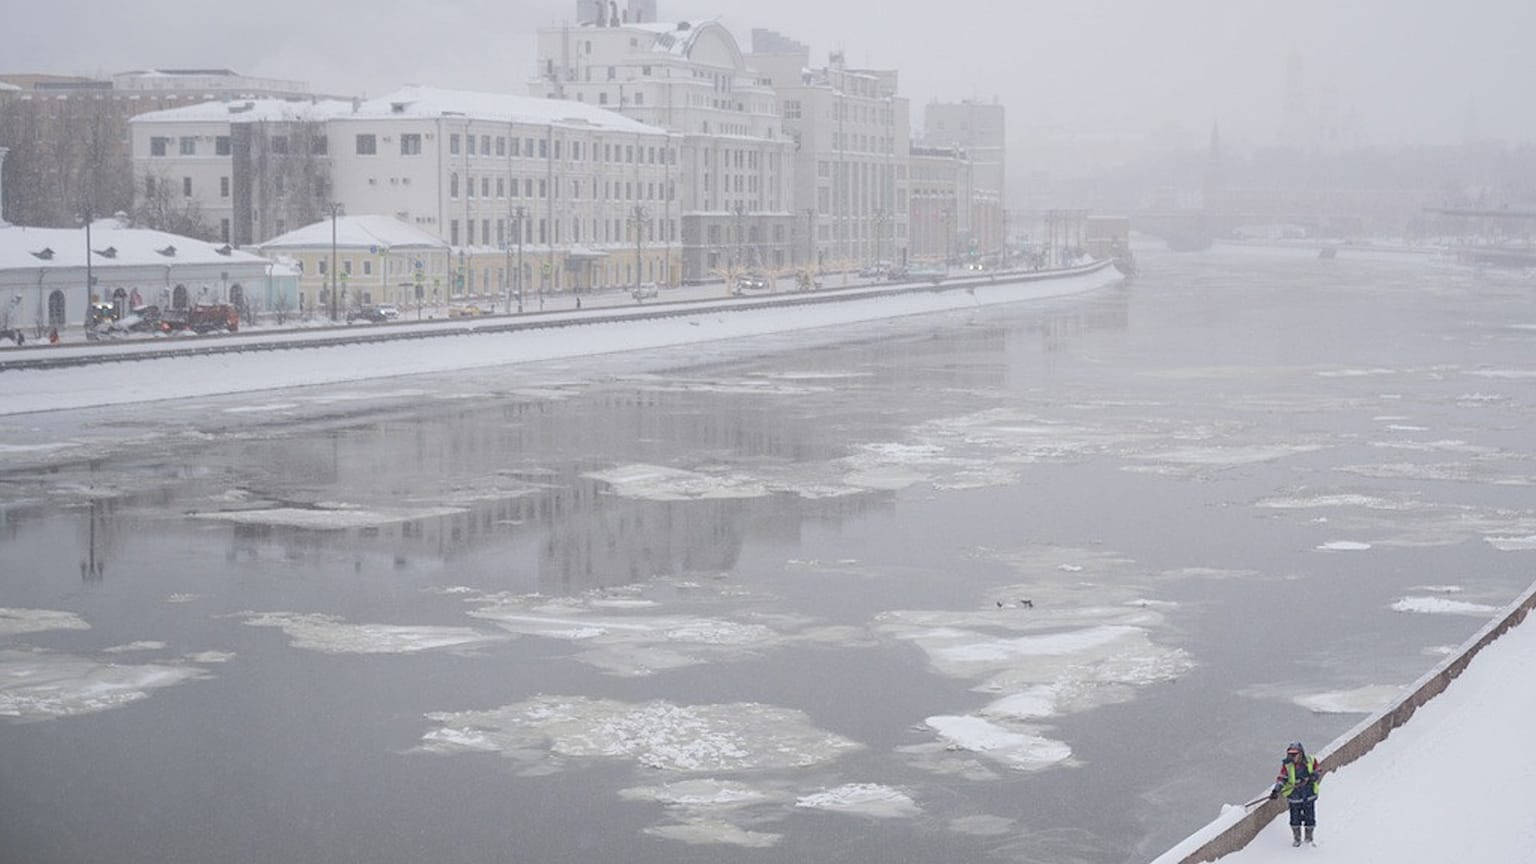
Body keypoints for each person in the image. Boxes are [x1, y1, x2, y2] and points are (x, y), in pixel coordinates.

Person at [1269, 741, 1323, 846]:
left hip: (1309, 795)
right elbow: (1282, 778)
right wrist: (1276, 790)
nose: (1292, 756)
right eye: (1290, 754)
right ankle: (1297, 839)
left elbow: (1318, 771)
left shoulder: (1311, 761)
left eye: (1294, 754)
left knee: (1310, 818)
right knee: (1294, 819)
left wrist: (1313, 777)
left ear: (1301, 753)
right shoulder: (1287, 765)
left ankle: (1309, 838)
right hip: (1294, 797)